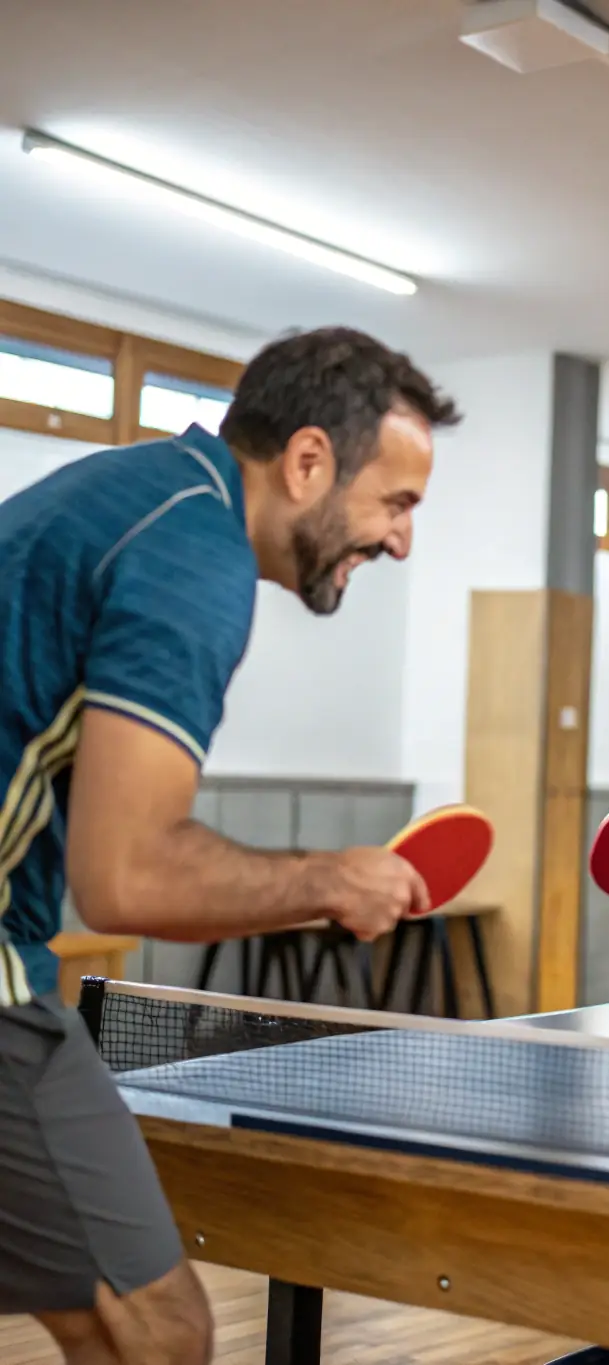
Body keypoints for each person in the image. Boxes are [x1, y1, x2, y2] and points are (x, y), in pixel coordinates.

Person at [0, 326, 460, 1364]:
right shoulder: (190, 558)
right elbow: (126, 876)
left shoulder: (140, 492)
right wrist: (329, 879)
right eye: (398, 502)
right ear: (307, 463)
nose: (401, 543)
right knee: (154, 1332)